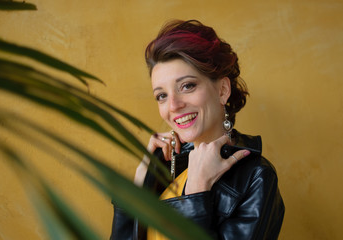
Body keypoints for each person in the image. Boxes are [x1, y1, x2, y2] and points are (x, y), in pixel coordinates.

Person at [111, 19, 284, 240]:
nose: (173, 106)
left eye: (187, 86)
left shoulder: (256, 177)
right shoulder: (164, 166)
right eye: (162, 96)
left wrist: (197, 192)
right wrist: (137, 187)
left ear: (222, 90)